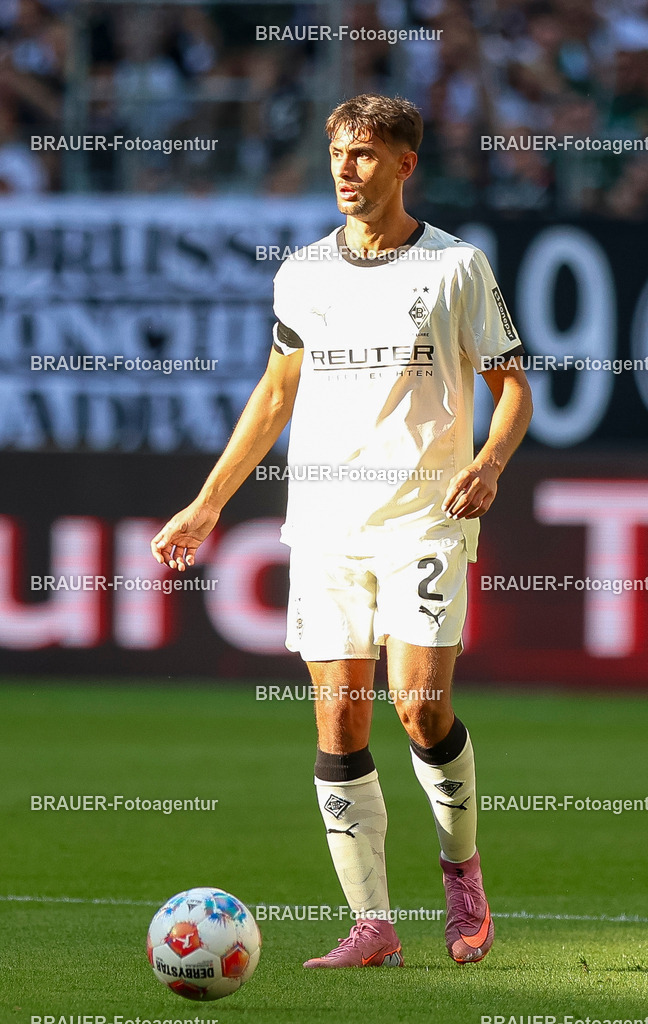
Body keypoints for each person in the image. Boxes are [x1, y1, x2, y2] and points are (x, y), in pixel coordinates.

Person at [151, 93, 533, 969]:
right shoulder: (303, 274)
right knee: (337, 721)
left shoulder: (455, 267)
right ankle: (372, 926)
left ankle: (460, 871)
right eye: (337, 155)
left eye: (364, 156)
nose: (345, 172)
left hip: (425, 518)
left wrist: (490, 460)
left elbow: (513, 386)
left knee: (419, 705)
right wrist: (208, 501)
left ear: (404, 164)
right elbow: (276, 392)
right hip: (324, 524)